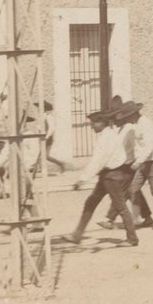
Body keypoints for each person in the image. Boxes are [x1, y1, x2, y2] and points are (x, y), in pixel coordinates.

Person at [56, 104, 141, 247]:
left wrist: (82, 179)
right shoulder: (109, 134)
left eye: (94, 123)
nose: (92, 126)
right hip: (107, 175)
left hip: (112, 176)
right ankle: (77, 235)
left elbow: (98, 160)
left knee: (120, 206)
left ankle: (132, 238)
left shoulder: (106, 137)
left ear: (103, 123)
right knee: (91, 202)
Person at [118, 101, 153, 228]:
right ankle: (143, 219)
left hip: (152, 162)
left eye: (128, 116)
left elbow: (149, 146)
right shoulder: (137, 124)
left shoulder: (145, 124)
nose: (127, 119)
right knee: (133, 189)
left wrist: (138, 162)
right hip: (144, 162)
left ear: (134, 114)